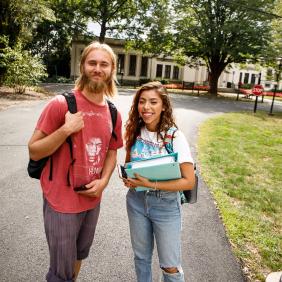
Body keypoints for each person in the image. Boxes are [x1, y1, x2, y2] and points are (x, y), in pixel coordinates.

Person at [28, 41, 123, 282]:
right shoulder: (61, 105)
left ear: (112, 69)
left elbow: (112, 151)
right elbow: (34, 151)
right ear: (82, 66)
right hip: (62, 202)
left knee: (79, 256)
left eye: (104, 64)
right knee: (60, 271)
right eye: (92, 63)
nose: (97, 69)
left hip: (92, 199)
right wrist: (65, 130)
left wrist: (103, 181)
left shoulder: (113, 112)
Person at [123, 81, 195, 282]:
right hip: (136, 202)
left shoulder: (174, 136)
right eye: (142, 102)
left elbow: (188, 181)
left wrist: (151, 184)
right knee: (141, 258)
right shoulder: (134, 131)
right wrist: (129, 179)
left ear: (163, 106)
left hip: (166, 205)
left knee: (170, 266)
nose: (146, 107)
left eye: (153, 102)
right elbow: (129, 165)